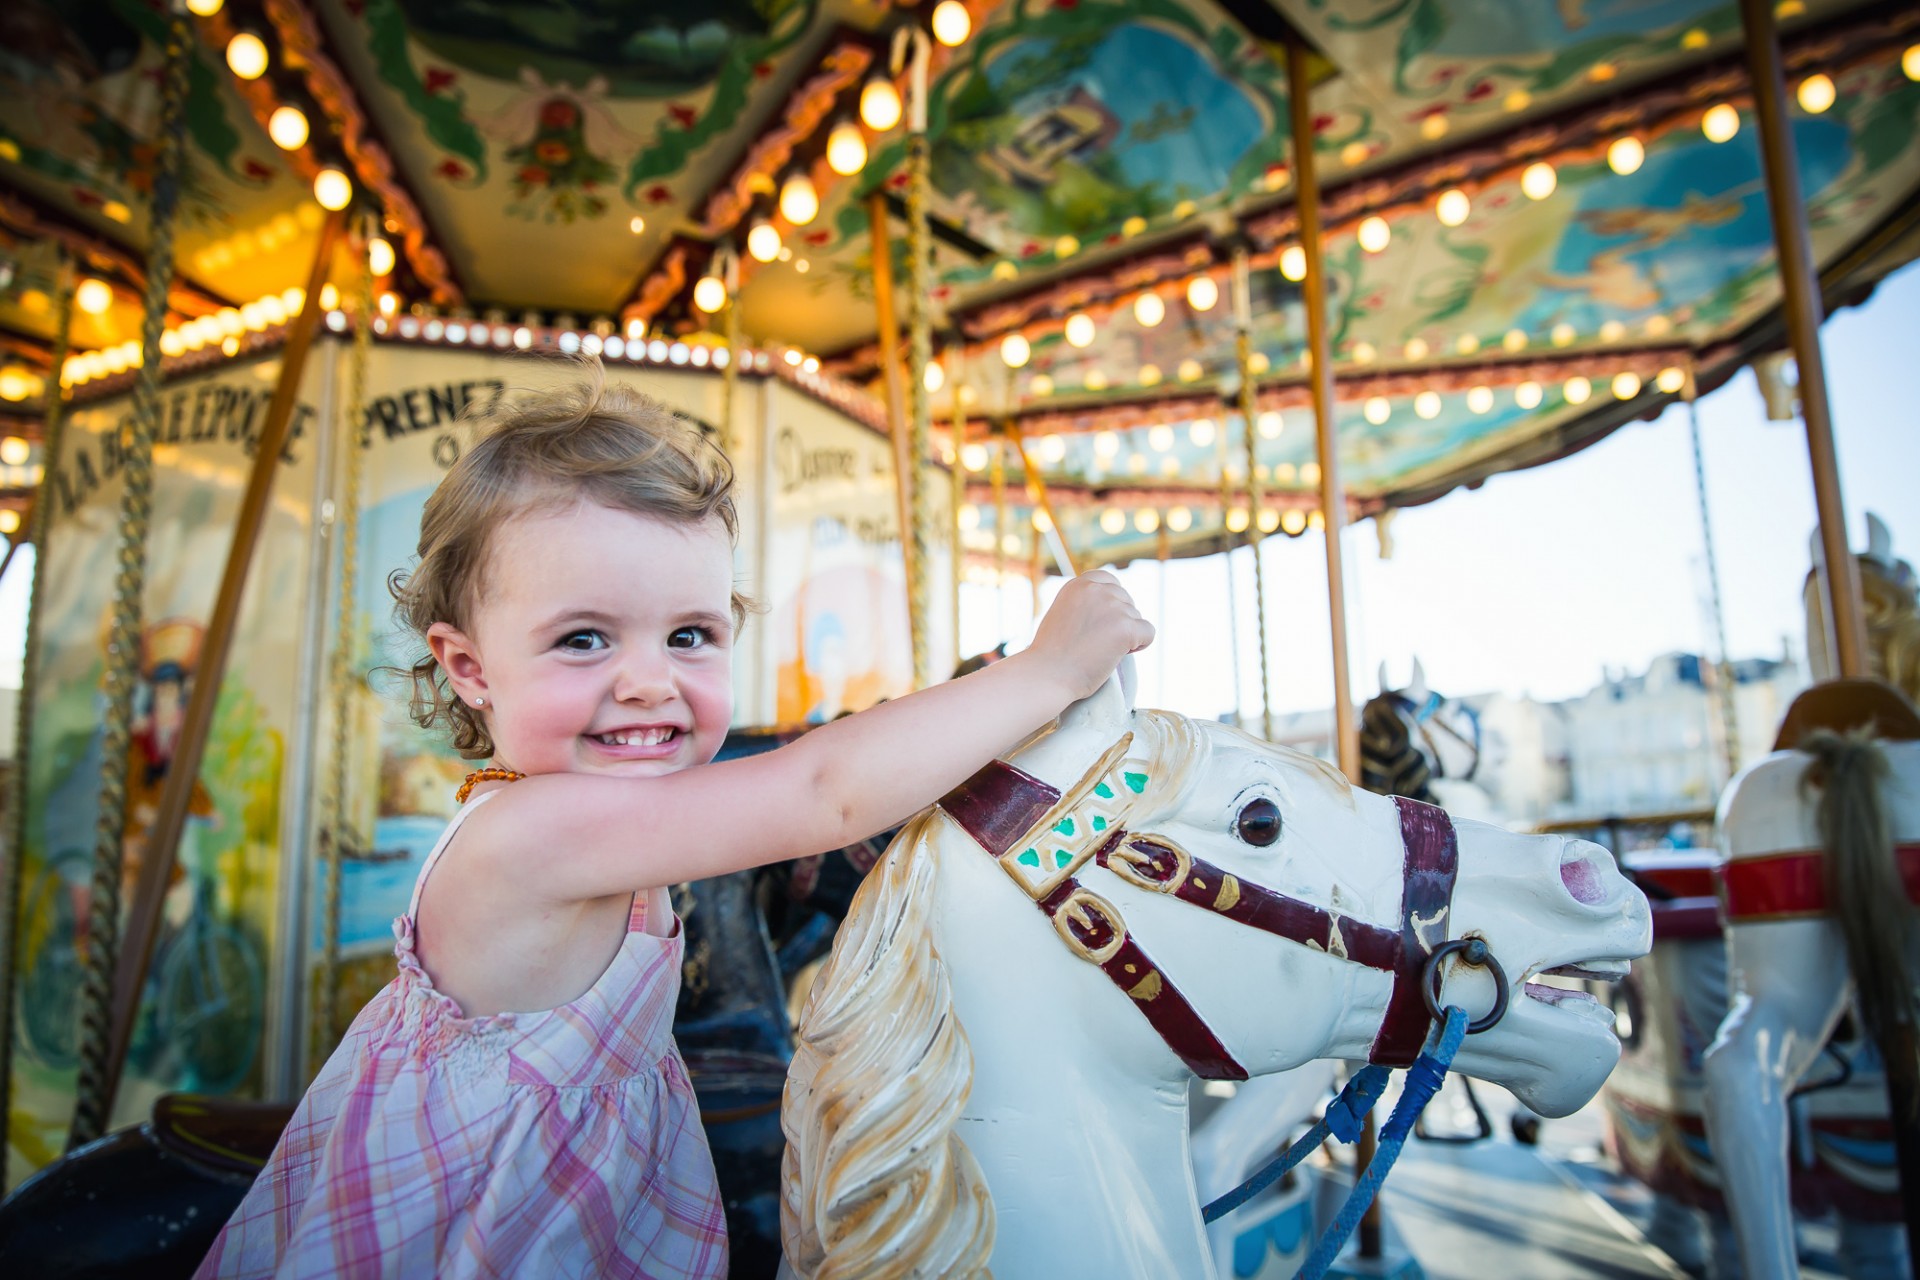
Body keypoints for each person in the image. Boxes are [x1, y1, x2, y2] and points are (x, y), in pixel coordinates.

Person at [197, 367, 1151, 1279]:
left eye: (688, 635)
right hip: (504, 1232)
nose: (650, 679)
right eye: (583, 639)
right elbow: (824, 792)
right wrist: (1043, 673)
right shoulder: (537, 833)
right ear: (470, 667)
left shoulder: (577, 814)